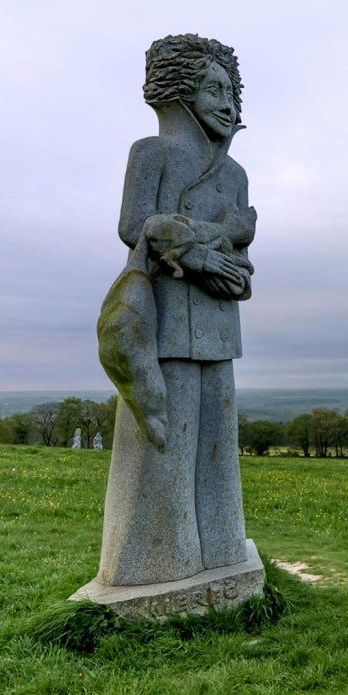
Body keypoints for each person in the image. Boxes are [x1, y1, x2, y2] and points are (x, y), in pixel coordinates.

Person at [97, 34, 257, 587]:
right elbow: (133, 225)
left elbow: (242, 247)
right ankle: (164, 557)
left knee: (218, 445)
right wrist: (213, 240)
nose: (227, 102)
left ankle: (220, 545)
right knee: (168, 439)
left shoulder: (235, 176)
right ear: (182, 95)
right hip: (166, 324)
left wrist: (220, 253)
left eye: (231, 90)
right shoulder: (152, 152)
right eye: (214, 88)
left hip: (216, 323)